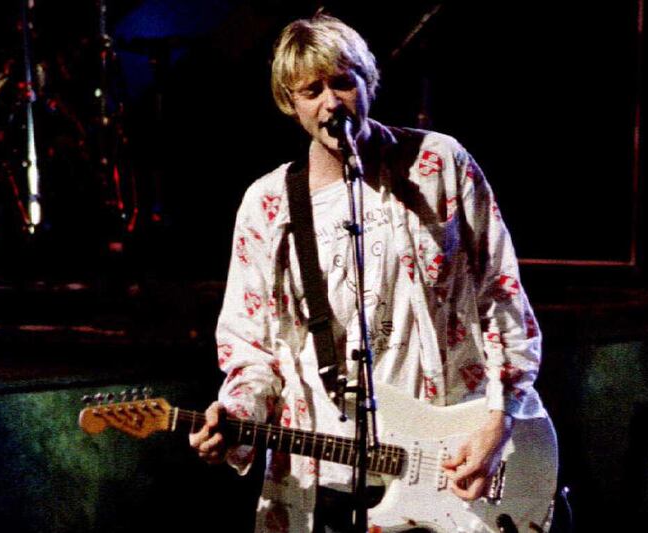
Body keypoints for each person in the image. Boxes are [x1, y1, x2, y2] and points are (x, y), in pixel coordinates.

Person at [189, 13, 546, 533]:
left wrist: (500, 417)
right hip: (326, 473)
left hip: (448, 461)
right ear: (290, 102)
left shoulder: (438, 164)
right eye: (311, 90)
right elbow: (252, 347)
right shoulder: (268, 206)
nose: (330, 102)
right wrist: (235, 416)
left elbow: (502, 295)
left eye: (342, 82)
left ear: (368, 82)